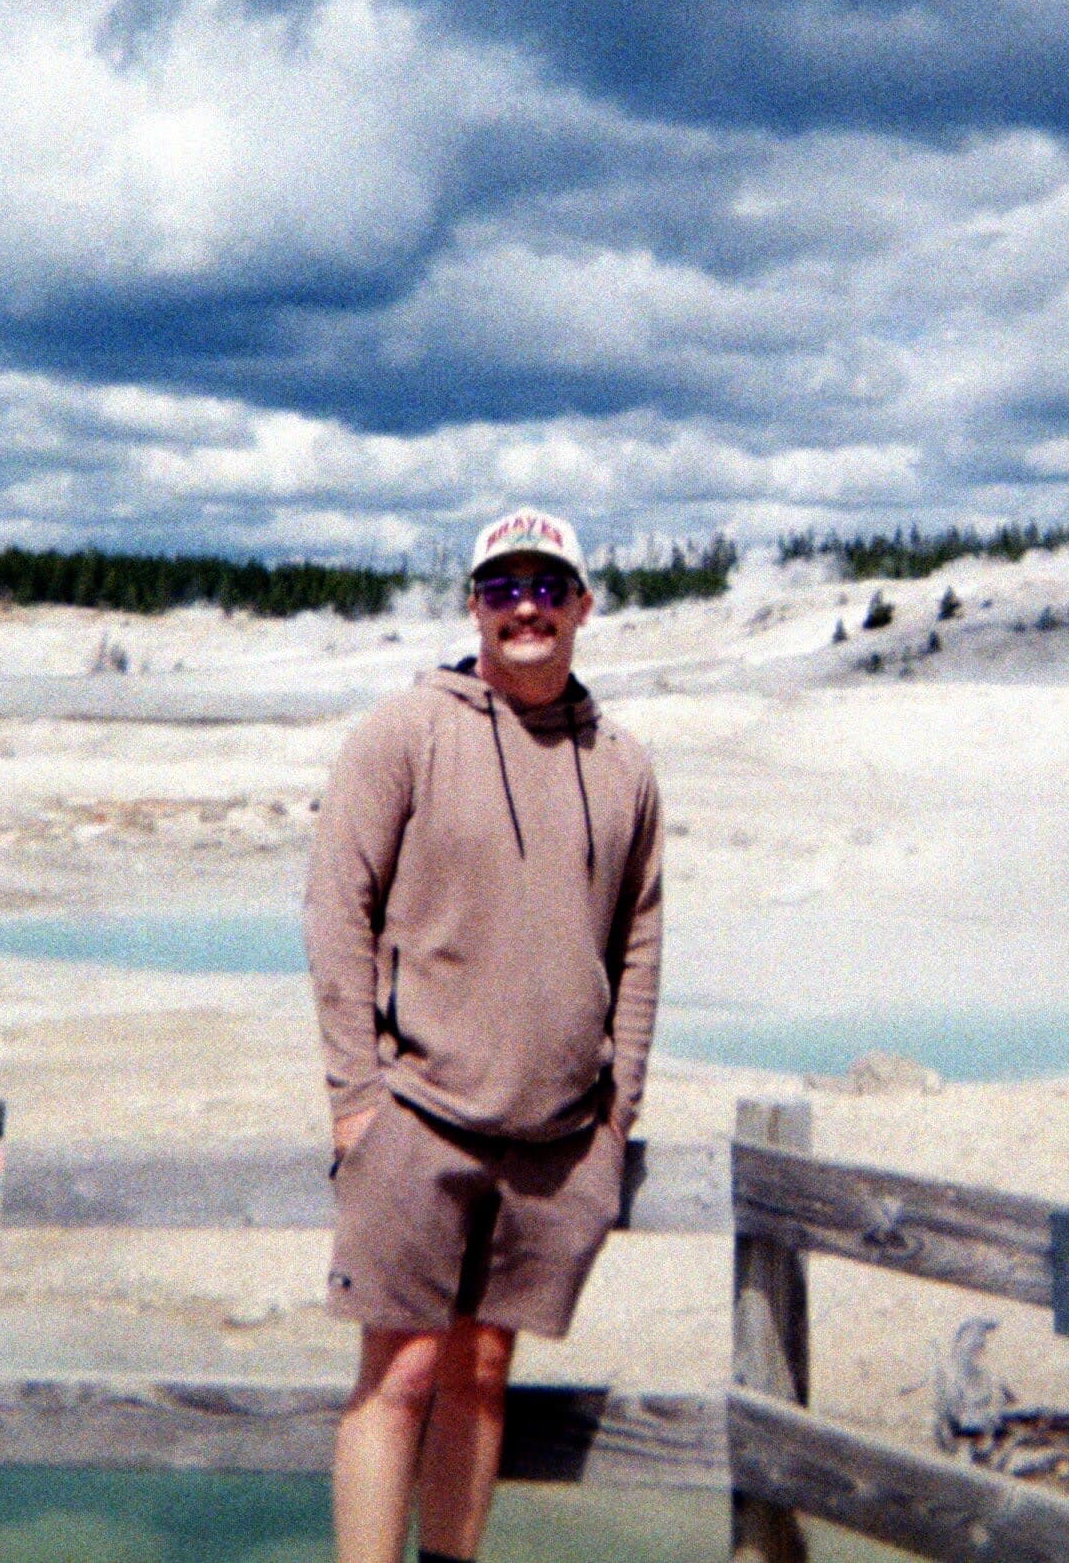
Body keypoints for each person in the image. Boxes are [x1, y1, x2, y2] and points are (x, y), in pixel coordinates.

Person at [303, 507, 665, 1563]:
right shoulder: (406, 732)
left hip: (553, 1138)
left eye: (548, 586)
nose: (526, 607)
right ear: (473, 607)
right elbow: (338, 910)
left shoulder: (624, 763)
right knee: (401, 1372)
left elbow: (639, 942)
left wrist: (617, 1112)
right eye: (502, 587)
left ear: (584, 606)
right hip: (416, 1115)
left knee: (482, 1371)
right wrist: (356, 1097)